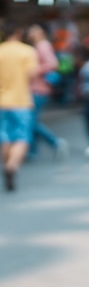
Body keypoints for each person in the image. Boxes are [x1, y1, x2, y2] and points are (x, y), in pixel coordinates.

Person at [0, 21, 38, 191]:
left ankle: (7, 162)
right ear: (18, 32)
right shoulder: (27, 51)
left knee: (5, 137)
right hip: (21, 100)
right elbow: (32, 74)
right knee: (22, 138)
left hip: (2, 101)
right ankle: (11, 167)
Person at [27, 24, 69, 159]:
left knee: (31, 121)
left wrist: (35, 70)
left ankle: (55, 142)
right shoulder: (40, 45)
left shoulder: (42, 46)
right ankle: (32, 151)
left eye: (33, 29)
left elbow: (53, 64)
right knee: (32, 120)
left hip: (38, 89)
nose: (30, 31)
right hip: (37, 88)